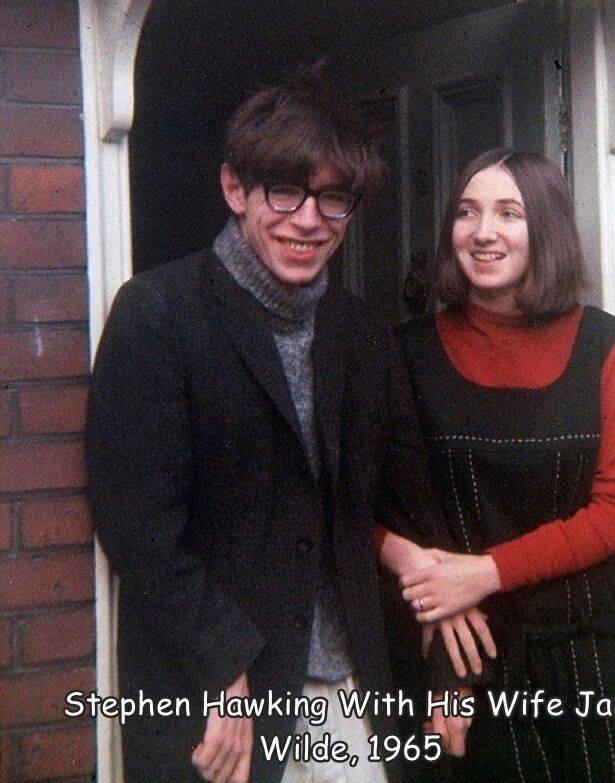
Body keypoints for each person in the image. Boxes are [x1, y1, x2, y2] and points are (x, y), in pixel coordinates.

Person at [85, 67, 484, 783]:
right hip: (219, 696)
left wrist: (443, 668)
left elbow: (406, 503)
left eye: (333, 198)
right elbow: (137, 527)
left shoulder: (363, 332)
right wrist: (223, 662)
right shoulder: (156, 315)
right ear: (235, 189)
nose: (309, 219)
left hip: (351, 691)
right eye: (285, 191)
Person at [379, 148, 615, 781]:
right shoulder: (406, 352)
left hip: (596, 646)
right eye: (468, 213)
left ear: (547, 230)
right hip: (473, 653)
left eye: (509, 213)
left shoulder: (598, 344)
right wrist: (437, 610)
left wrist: (486, 572)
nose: (483, 232)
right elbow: (370, 511)